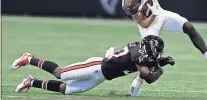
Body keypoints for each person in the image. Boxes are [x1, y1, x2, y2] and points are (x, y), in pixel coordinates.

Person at [121, 0, 207, 96]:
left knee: (188, 27)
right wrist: (153, 14)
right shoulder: (129, 3)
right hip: (148, 25)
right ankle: (139, 80)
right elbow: (143, 22)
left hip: (160, 14)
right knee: (150, 58)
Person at [12, 35, 175, 95]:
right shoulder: (137, 50)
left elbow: (149, 64)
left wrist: (163, 62)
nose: (158, 53)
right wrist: (160, 68)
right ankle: (29, 59)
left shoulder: (143, 56)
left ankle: (31, 82)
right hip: (97, 66)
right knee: (60, 73)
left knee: (66, 89)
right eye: (158, 51)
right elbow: (148, 76)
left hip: (102, 77)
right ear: (150, 48)